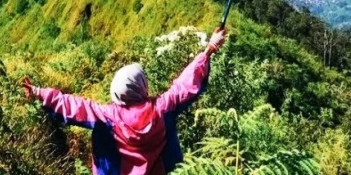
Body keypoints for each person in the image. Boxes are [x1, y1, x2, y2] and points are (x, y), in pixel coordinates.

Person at [22, 28, 227, 175]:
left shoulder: (108, 117)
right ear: (142, 87)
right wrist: (209, 48)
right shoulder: (163, 109)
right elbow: (185, 84)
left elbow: (73, 106)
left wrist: (39, 92)